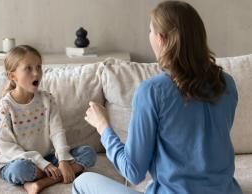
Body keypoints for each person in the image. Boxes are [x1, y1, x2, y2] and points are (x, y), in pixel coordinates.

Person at [73, 1, 243, 194]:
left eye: (150, 31)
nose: (150, 36)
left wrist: (103, 126)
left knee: (82, 182)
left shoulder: (152, 91)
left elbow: (133, 172)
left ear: (161, 39)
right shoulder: (227, 83)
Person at [0, 45, 96, 194]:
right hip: (17, 161)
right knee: (20, 170)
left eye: (39, 67)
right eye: (28, 68)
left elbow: (57, 131)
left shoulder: (47, 99)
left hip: (47, 159)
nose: (36, 73)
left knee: (88, 153)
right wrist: (40, 163)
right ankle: (55, 174)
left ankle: (41, 183)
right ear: (12, 76)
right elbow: (6, 147)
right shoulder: (5, 106)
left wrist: (62, 160)